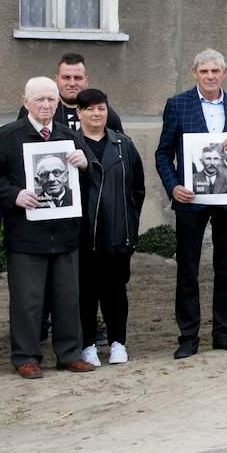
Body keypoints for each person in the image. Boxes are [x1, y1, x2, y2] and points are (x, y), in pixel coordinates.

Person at [0, 77, 95, 378]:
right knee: (28, 300)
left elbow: (89, 177)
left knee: (68, 297)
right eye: (40, 99)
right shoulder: (8, 136)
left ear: (58, 103)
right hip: (26, 235)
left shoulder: (70, 135)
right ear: (25, 101)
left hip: (65, 233)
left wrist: (85, 163)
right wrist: (14, 195)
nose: (46, 105)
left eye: (51, 100)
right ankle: (26, 357)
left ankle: (69, 353)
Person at [154, 49, 227, 359]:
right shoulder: (178, 104)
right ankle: (188, 336)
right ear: (195, 74)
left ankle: (222, 332)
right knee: (188, 269)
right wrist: (173, 187)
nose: (210, 76)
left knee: (225, 268)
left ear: (224, 74)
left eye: (216, 71)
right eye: (204, 71)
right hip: (191, 200)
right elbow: (162, 154)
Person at [75, 89, 145, 367]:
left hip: (118, 232)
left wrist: (129, 219)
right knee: (86, 292)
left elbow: (137, 188)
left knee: (116, 291)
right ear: (79, 113)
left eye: (101, 108)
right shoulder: (70, 144)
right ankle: (88, 344)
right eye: (89, 109)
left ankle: (118, 342)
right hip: (84, 234)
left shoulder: (122, 145)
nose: (96, 114)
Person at [17, 53, 124, 133]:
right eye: (66, 78)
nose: (72, 83)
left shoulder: (102, 112)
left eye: (77, 78)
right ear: (56, 80)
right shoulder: (35, 109)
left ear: (86, 81)